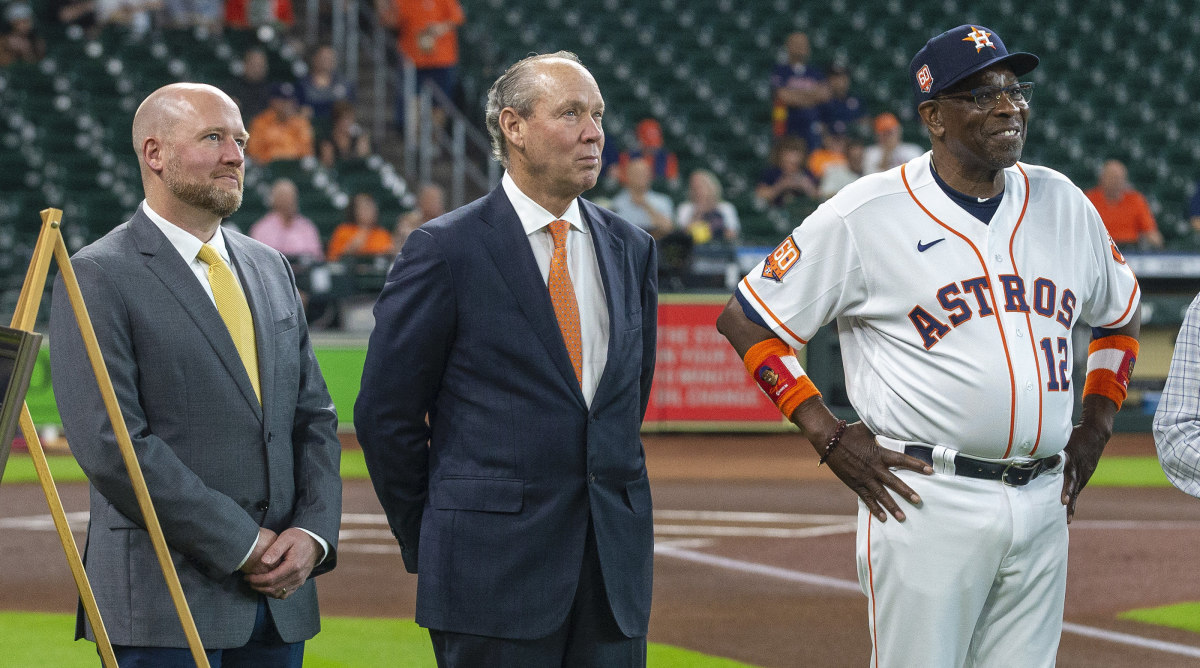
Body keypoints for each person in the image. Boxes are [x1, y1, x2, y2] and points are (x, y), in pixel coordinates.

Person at [716, 25, 1141, 668]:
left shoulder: (1064, 202)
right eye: (979, 94)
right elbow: (747, 319)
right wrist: (827, 433)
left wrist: (1099, 425)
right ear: (933, 117)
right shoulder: (863, 214)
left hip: (1045, 500)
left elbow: (1122, 316)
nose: (1007, 106)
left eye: (1013, 89)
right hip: (926, 498)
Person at [354, 51, 657, 666]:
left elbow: (623, 405)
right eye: (571, 112)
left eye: (598, 114)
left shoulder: (632, 247)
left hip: (612, 580)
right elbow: (386, 416)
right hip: (487, 577)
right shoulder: (443, 250)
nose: (594, 131)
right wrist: (437, 536)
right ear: (513, 127)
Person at [49, 82, 341, 666]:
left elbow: (313, 418)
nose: (237, 155)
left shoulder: (270, 267)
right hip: (163, 606)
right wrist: (239, 542)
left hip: (281, 607)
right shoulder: (98, 274)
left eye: (240, 139)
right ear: (154, 154)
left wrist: (311, 534)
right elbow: (113, 446)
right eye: (214, 138)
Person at [377, 0, 464, 129]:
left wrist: (440, 28)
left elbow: (458, 17)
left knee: (439, 105)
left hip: (442, 59)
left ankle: (434, 143)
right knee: (413, 103)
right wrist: (382, 5)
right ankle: (415, 144)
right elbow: (390, 21)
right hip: (413, 60)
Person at [770, 31, 829, 153]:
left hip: (812, 126)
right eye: (796, 43)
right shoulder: (780, 71)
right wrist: (811, 96)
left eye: (803, 44)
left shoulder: (815, 72)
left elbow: (824, 95)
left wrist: (795, 95)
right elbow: (783, 96)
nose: (800, 47)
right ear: (788, 46)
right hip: (787, 126)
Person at [1086, 159, 1164, 249]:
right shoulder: (1089, 199)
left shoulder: (1135, 200)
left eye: (1119, 178)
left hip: (1129, 249)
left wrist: (1159, 246)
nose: (1115, 181)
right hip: (1099, 247)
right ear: (1102, 178)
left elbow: (1150, 231)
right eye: (1111, 177)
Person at [249, 178, 324, 261]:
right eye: (284, 196)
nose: (289, 200)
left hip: (304, 272)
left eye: (292, 196)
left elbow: (317, 258)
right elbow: (257, 259)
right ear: (274, 200)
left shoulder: (306, 227)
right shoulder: (261, 229)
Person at [246, 82, 315, 165]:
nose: (287, 105)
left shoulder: (301, 123)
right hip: (267, 168)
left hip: (294, 169)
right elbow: (254, 152)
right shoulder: (260, 122)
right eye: (282, 101)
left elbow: (306, 152)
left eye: (290, 101)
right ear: (273, 102)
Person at [609, 158, 674, 239]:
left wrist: (646, 206)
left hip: (656, 247)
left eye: (644, 173)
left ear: (650, 176)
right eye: (637, 173)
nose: (641, 177)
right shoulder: (617, 203)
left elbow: (668, 229)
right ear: (627, 176)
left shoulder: (663, 201)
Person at [296, 44, 355, 128]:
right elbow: (300, 108)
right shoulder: (303, 84)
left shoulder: (344, 84)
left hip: (338, 128)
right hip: (311, 127)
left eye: (330, 58)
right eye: (324, 58)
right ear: (314, 59)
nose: (327, 61)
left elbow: (349, 108)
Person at [755, 135, 820, 209]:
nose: (791, 167)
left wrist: (807, 187)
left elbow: (819, 197)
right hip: (776, 212)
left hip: (801, 212)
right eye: (787, 163)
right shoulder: (772, 173)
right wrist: (781, 186)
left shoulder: (806, 173)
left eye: (794, 164)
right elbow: (760, 194)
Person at [326, 191, 394, 260]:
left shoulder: (383, 234)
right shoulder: (343, 231)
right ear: (354, 210)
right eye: (364, 207)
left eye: (371, 206)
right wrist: (350, 248)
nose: (369, 211)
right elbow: (333, 259)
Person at [678, 169, 739, 244]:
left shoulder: (726, 207)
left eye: (702, 186)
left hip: (719, 247)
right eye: (695, 187)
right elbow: (682, 234)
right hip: (692, 247)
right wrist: (698, 213)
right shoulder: (685, 208)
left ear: (711, 187)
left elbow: (732, 234)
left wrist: (712, 227)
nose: (699, 190)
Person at [616, 118, 679, 188]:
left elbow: (672, 182)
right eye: (649, 145)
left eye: (655, 145)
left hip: (658, 195)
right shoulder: (627, 156)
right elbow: (623, 180)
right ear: (640, 141)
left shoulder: (668, 158)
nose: (653, 149)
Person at [818, 62, 867, 138]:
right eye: (836, 77)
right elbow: (819, 126)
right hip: (829, 143)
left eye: (843, 76)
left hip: (853, 143)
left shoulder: (856, 99)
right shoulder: (821, 101)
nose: (840, 81)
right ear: (828, 79)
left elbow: (865, 121)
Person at [317, 100, 372, 167]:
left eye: (351, 120)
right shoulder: (327, 143)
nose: (348, 123)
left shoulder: (358, 140)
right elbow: (327, 167)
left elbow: (365, 162)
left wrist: (363, 143)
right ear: (336, 121)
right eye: (345, 119)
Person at [227, 47, 274, 124]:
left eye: (261, 65)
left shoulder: (271, 90)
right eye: (254, 64)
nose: (257, 69)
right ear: (245, 64)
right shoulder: (231, 88)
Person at [393, 181, 445, 249]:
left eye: (436, 199)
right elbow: (399, 248)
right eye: (429, 199)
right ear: (420, 202)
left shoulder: (448, 223)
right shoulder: (407, 221)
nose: (433, 203)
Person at [817, 135, 864, 200]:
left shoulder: (871, 172)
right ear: (847, 156)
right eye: (854, 158)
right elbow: (825, 194)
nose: (857, 161)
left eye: (859, 157)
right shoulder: (834, 171)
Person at [0, 2, 46, 66]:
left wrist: (27, 52)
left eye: (26, 21)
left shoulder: (36, 40)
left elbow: (39, 60)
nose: (23, 26)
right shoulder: (3, 40)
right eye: (19, 22)